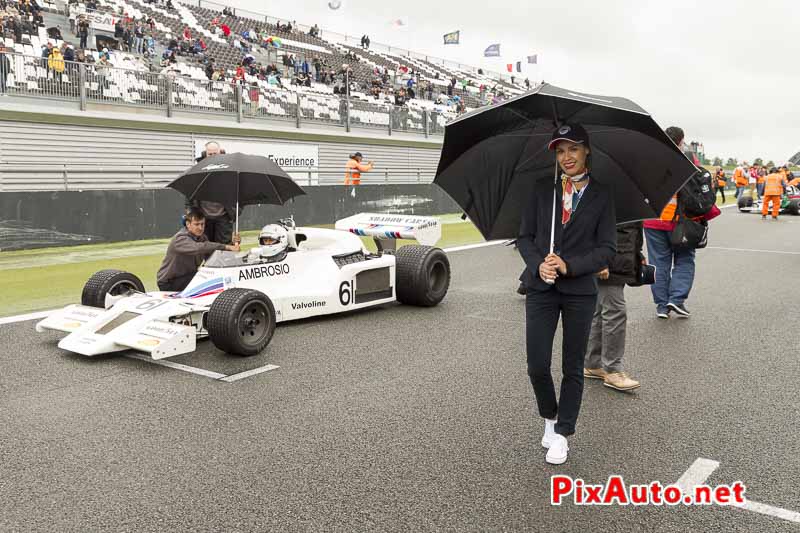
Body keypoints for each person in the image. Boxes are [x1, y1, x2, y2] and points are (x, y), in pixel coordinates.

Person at [517, 123, 616, 464]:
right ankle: (550, 416)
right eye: (560, 151)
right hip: (541, 288)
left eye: (573, 148)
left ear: (586, 150)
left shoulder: (602, 195)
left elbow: (607, 249)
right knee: (536, 365)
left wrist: (568, 265)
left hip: (579, 291)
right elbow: (525, 237)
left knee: (572, 366)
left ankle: (563, 433)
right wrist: (538, 266)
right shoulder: (542, 188)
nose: (566, 157)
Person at [643, 126, 714, 319]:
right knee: (684, 259)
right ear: (681, 141)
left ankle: (661, 306)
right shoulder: (688, 160)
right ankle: (676, 298)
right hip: (680, 221)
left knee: (658, 263)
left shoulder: (650, 161)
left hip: (653, 220)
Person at [584, 222, 643, 391]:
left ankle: (592, 363)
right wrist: (600, 261)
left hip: (621, 258)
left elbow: (633, 227)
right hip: (609, 260)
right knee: (615, 312)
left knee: (601, 311)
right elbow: (592, 226)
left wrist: (637, 253)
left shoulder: (627, 196)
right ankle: (612, 371)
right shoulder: (605, 195)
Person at [157, 207, 240, 292]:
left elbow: (214, 258)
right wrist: (227, 247)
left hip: (188, 277)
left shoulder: (202, 238)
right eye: (196, 224)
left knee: (213, 277)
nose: (200, 228)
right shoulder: (180, 238)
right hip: (169, 282)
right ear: (188, 224)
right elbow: (199, 248)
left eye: (202, 224)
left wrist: (233, 244)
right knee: (206, 281)